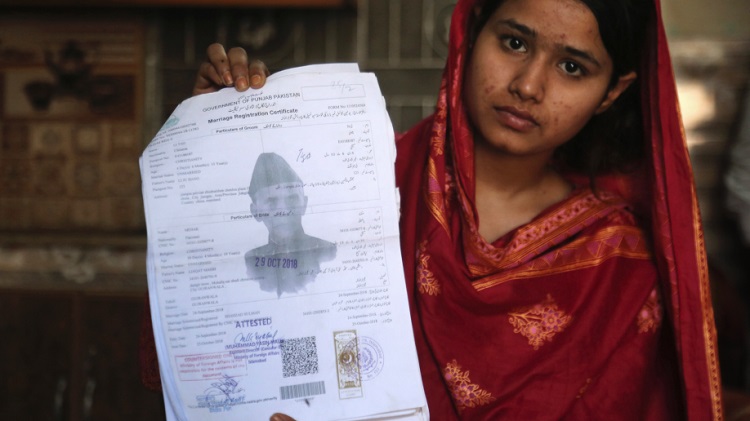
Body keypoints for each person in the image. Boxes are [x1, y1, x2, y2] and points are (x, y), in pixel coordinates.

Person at [142, 0, 724, 418]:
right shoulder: (356, 187)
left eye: (573, 66)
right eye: (515, 42)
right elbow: (226, 333)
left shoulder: (617, 266)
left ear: (613, 93)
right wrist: (216, 142)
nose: (527, 84)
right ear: (470, 33)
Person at [244, 152, 337, 297]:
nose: (283, 210)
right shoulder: (250, 262)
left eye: (292, 199)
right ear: (255, 212)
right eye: (271, 202)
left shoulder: (329, 253)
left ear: (304, 204)